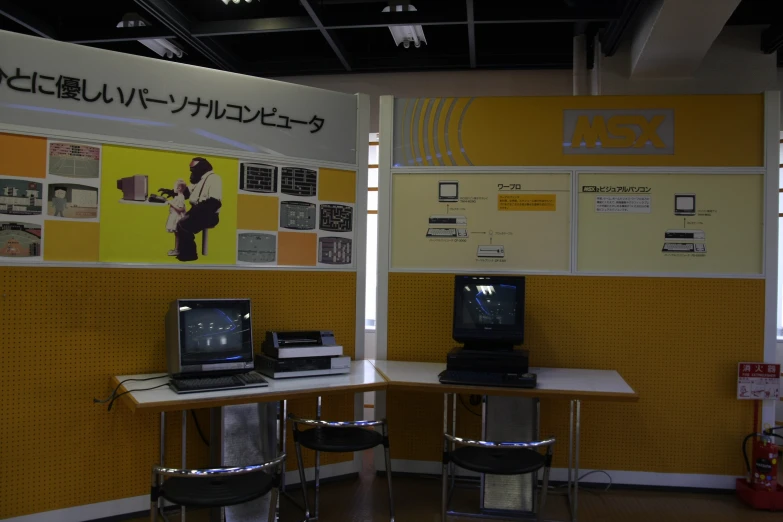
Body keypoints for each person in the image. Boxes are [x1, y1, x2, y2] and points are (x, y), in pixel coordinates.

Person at [160, 157, 222, 262]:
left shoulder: (214, 179)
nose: (191, 174)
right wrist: (172, 192)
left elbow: (214, 203)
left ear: (201, 169)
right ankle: (181, 250)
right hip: (198, 210)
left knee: (183, 225)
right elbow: (187, 192)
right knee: (178, 222)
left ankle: (189, 255)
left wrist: (197, 211)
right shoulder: (199, 179)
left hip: (208, 213)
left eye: (193, 170)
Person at [164, 179, 188, 256]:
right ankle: (177, 249)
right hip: (175, 216)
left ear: (179, 188)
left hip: (177, 218)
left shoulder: (181, 197)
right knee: (177, 235)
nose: (173, 188)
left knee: (178, 235)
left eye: (175, 187)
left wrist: (171, 203)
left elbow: (181, 209)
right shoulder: (178, 197)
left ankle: (177, 250)